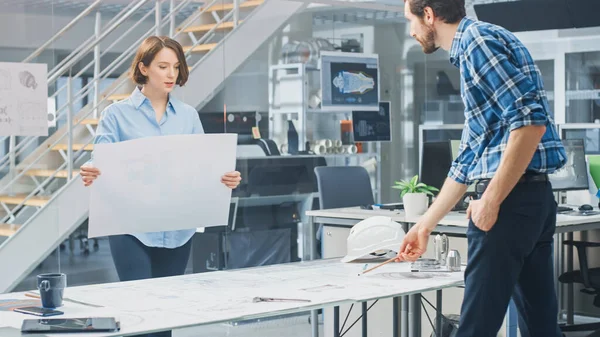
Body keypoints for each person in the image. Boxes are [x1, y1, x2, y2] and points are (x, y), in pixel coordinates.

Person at [398, 1, 567, 337]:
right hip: (530, 199)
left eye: (411, 20)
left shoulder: (477, 42)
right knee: (542, 329)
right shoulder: (480, 43)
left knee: (475, 328)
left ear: (429, 15)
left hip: (508, 205)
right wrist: (424, 225)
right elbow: (468, 158)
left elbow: (530, 123)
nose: (411, 30)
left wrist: (491, 200)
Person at [80, 36, 241, 337]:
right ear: (143, 67)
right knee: (139, 313)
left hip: (177, 229)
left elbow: (202, 168)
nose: (171, 75)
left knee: (165, 317)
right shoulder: (116, 115)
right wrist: (91, 171)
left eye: (176, 67)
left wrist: (225, 178)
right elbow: (100, 163)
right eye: (163, 66)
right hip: (130, 227)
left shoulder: (189, 116)